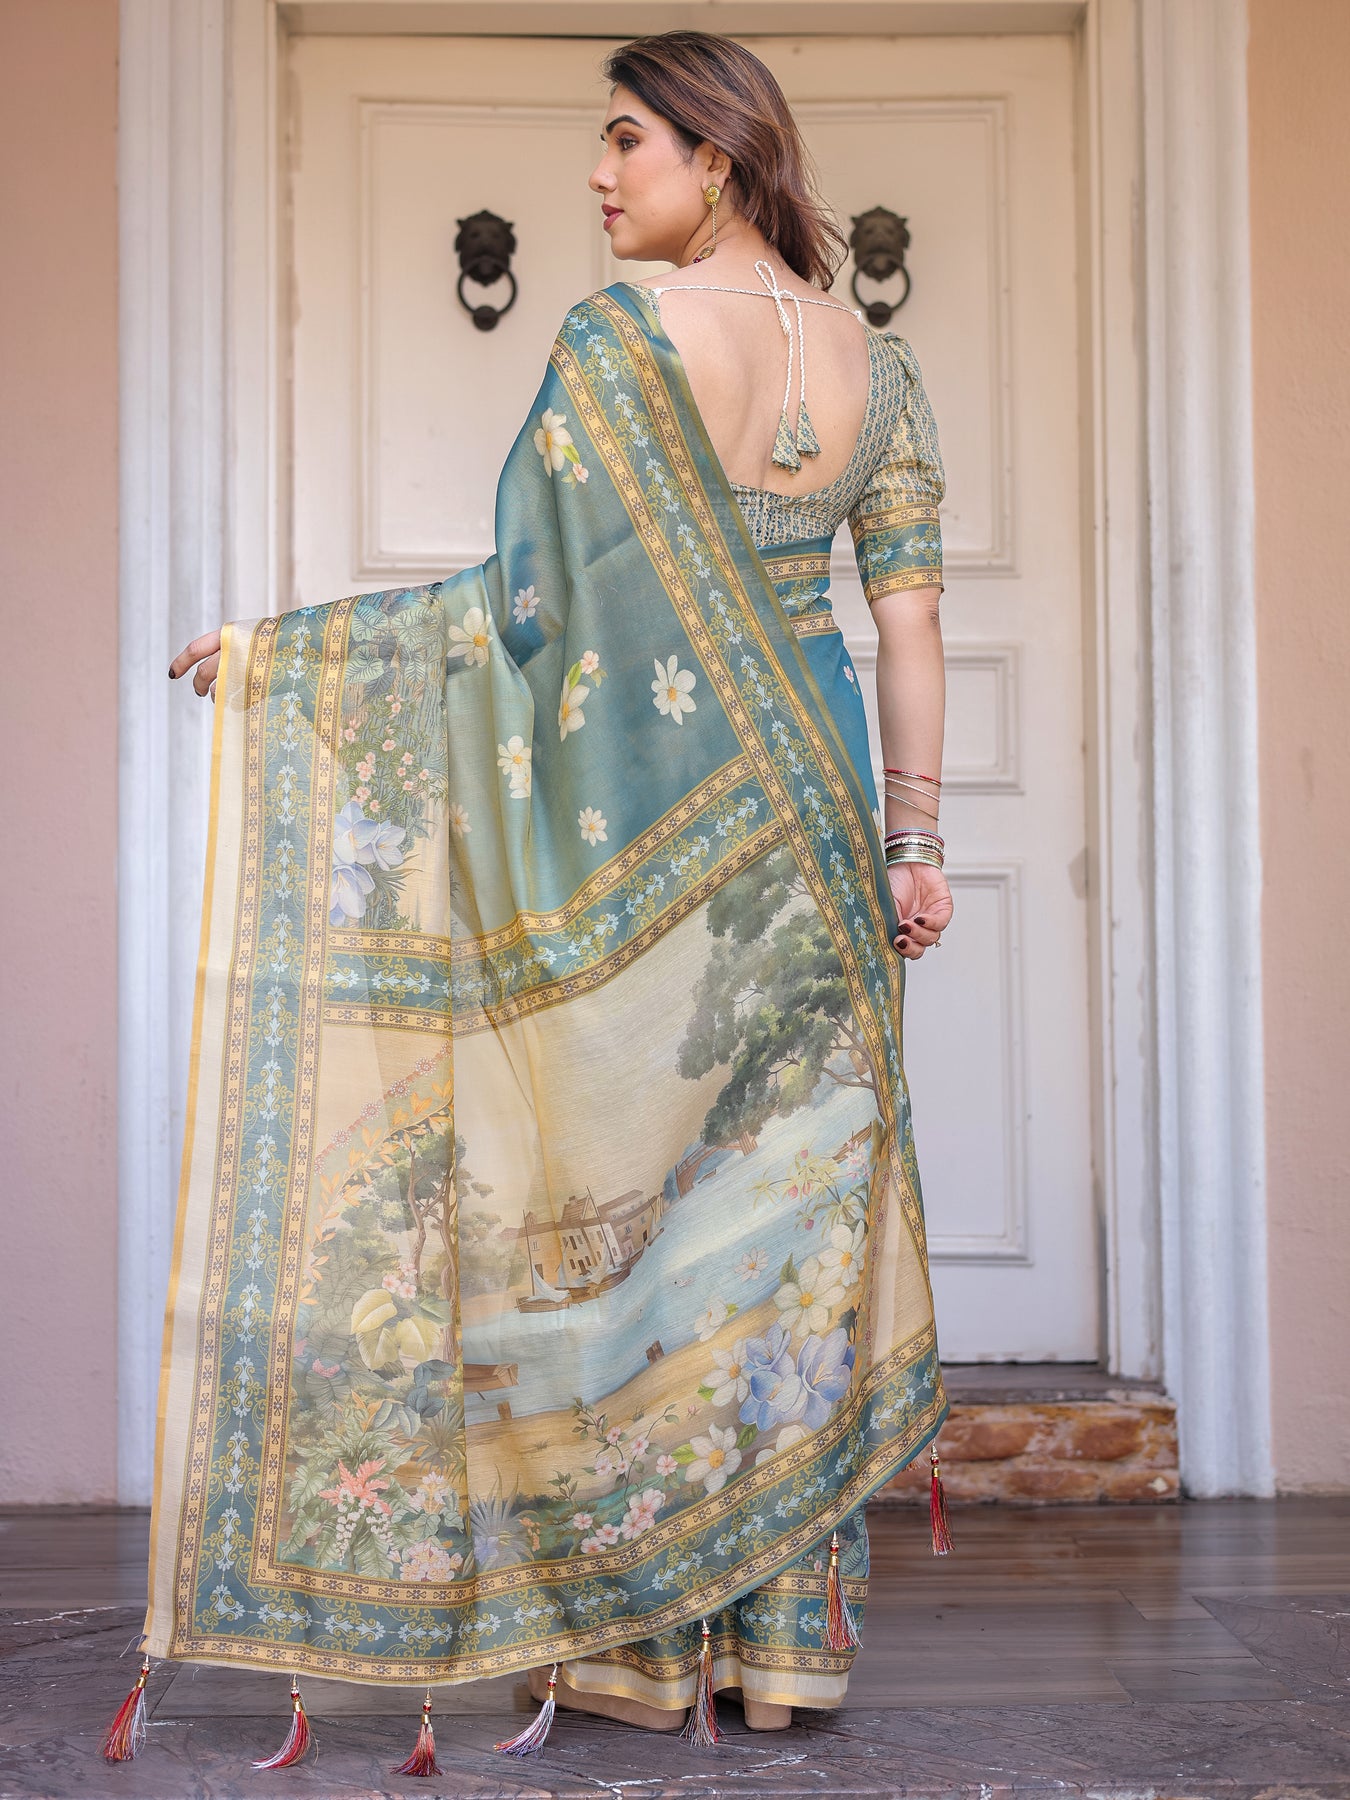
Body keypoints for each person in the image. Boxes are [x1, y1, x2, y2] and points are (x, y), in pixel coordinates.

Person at [138, 28, 952, 1769]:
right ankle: (779, 1658)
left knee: (636, 1212)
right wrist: (914, 841)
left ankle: (638, 1649)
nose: (596, 174)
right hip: (814, 810)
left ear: (715, 157)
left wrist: (293, 659)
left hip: (663, 816)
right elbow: (907, 623)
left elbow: (525, 604)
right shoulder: (878, 370)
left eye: (624, 141)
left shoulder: (621, 340)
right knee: (783, 1218)